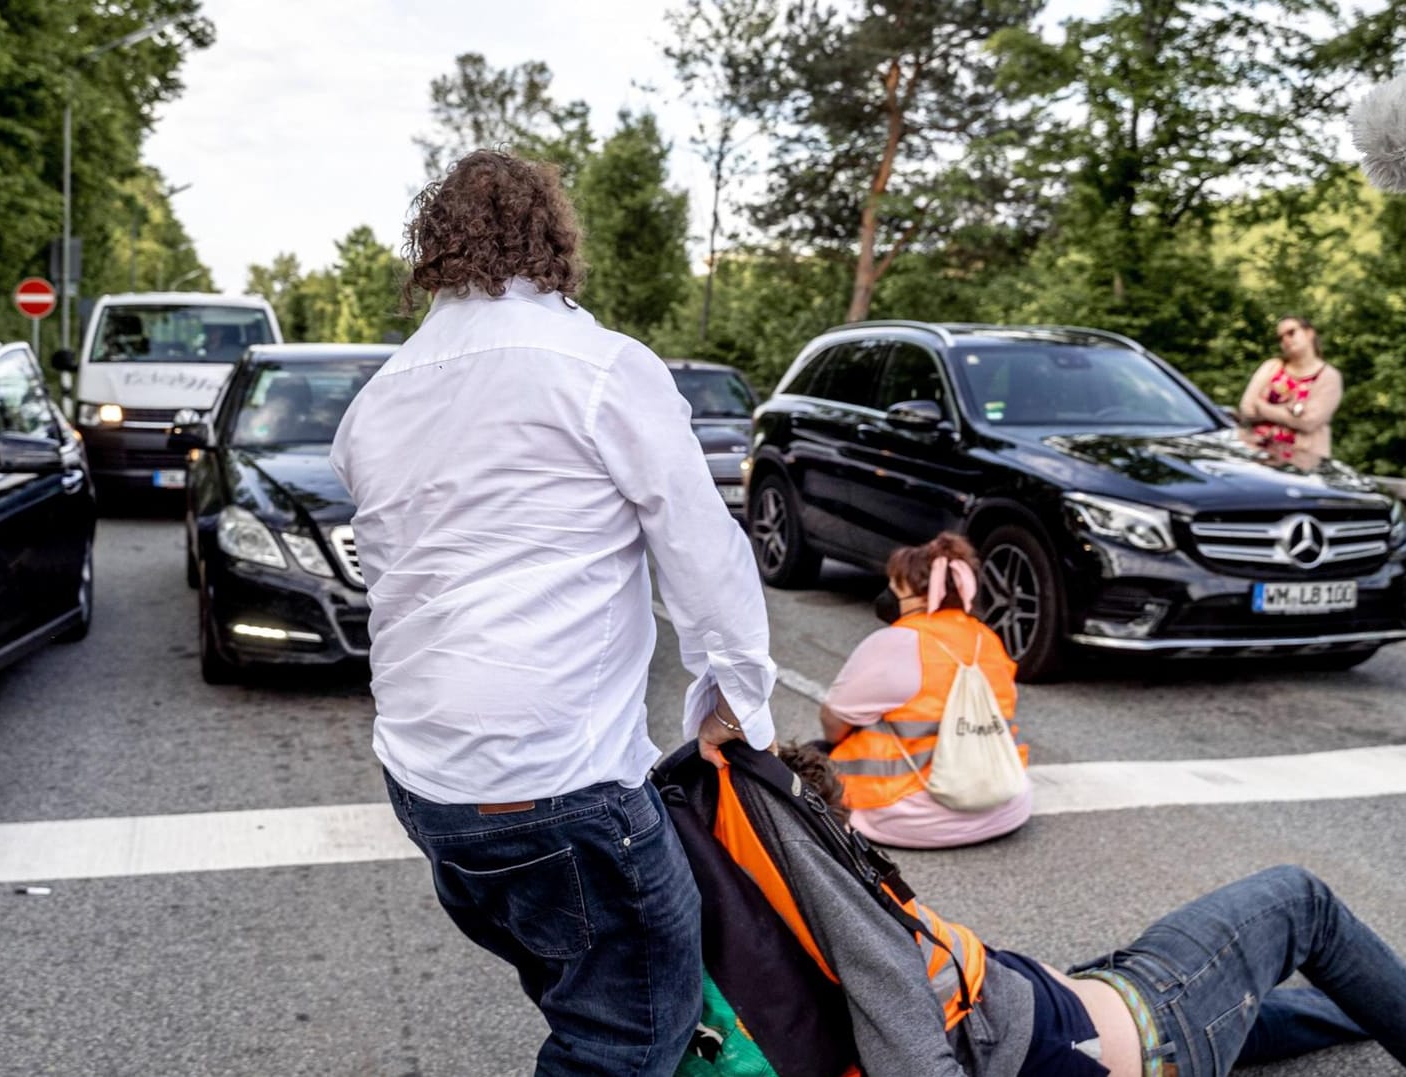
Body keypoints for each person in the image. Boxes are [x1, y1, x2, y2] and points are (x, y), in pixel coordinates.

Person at [328, 149, 777, 1076]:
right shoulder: (601, 368)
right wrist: (736, 697)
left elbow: (393, 575)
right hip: (555, 781)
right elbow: (700, 547)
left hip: (427, 786)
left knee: (588, 990)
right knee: (626, 1033)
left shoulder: (374, 405)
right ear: (555, 243)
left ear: (434, 252)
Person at [752, 742, 1402, 1077]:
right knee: (1299, 899)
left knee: (1247, 996)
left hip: (1114, 1009)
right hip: (1156, 1024)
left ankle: (1368, 1003)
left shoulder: (780, 963)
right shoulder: (863, 941)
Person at [822, 532, 1031, 848]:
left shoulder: (898, 642)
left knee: (815, 752)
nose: (887, 597)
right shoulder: (987, 640)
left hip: (911, 817)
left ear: (921, 596)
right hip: (1005, 807)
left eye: (895, 589)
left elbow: (834, 721)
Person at [1239, 315, 1343, 460]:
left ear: (1309, 333)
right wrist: (1291, 412)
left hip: (1302, 463)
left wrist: (1262, 408)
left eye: (1291, 332)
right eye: (1280, 338)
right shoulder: (1272, 366)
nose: (1285, 340)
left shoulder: (1329, 376)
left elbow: (1308, 422)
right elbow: (1247, 408)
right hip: (1257, 455)